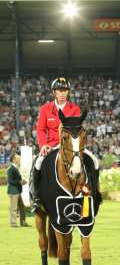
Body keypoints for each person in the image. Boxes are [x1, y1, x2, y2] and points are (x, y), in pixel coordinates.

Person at [31, 77, 81, 209]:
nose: (63, 93)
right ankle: (36, 196)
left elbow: (76, 129)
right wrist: (43, 145)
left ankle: (91, 192)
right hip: (51, 145)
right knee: (37, 163)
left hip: (70, 146)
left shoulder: (74, 109)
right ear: (54, 92)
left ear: (68, 92)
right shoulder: (45, 109)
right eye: (60, 90)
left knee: (92, 161)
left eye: (65, 90)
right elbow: (41, 129)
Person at [7, 153, 29, 227]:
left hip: (17, 191)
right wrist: (20, 182)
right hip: (13, 191)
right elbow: (10, 181)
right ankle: (13, 223)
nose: (19, 158)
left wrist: (21, 181)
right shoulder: (10, 168)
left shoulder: (15, 168)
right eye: (17, 157)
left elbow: (14, 180)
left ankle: (23, 222)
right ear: (14, 159)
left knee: (22, 207)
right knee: (13, 208)